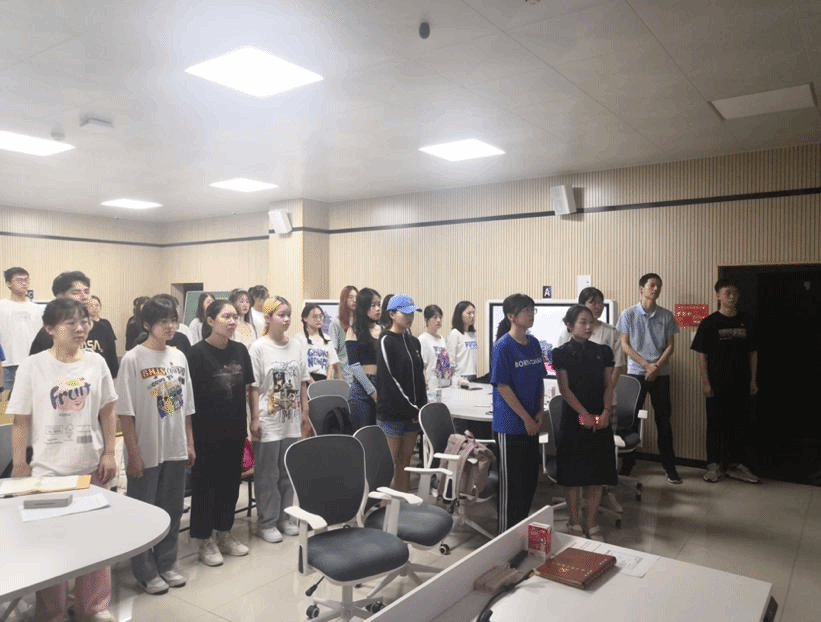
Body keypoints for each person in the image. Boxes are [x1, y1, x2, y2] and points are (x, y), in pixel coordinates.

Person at [8, 298, 118, 622]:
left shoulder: (96, 363)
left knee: (95, 543)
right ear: (50, 329)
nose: (80, 328)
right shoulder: (33, 366)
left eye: (84, 321)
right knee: (52, 547)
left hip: (90, 467)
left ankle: (93, 606)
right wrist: (19, 464)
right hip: (48, 472)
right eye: (71, 322)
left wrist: (109, 451)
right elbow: (20, 420)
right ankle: (52, 611)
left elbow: (108, 410)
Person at [116, 295, 196, 595]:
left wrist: (189, 442)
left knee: (172, 509)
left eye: (173, 320)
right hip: (146, 449)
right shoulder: (133, 359)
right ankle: (145, 570)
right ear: (147, 324)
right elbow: (125, 412)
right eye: (163, 321)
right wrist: (133, 453)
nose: (170, 326)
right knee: (144, 512)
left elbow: (184, 406)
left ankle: (167, 563)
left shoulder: (178, 356)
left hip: (175, 447)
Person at [187, 299, 255, 566]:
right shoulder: (196, 354)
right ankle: (204, 540)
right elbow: (188, 400)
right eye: (226, 316)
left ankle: (224, 533)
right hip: (205, 433)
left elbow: (248, 388)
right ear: (210, 320)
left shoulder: (240, 350)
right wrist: (189, 438)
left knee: (229, 485)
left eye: (235, 317)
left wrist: (253, 421)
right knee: (205, 486)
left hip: (234, 430)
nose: (232, 321)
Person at [556, 287, 626, 512]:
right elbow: (565, 384)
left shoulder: (607, 339)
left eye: (600, 303)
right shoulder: (564, 344)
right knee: (576, 460)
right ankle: (575, 516)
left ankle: (597, 508)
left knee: (599, 460)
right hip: (577, 412)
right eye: (592, 302)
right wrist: (584, 413)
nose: (597, 307)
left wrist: (605, 408)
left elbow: (613, 374)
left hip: (602, 407)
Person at [553, 304, 617, 541]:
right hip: (574, 418)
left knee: (597, 473)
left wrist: (606, 411)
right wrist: (585, 415)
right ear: (570, 326)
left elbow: (608, 385)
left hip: (600, 417)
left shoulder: (603, 351)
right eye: (583, 322)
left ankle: (591, 523)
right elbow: (565, 389)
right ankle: (573, 521)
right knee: (574, 474)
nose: (589, 326)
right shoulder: (561, 353)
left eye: (591, 322)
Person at [248, 296, 309, 543]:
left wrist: (305, 414)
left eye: (288, 315)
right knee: (267, 474)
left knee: (287, 473)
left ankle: (286, 517)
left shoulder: (296, 346)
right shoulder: (258, 348)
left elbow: (303, 382)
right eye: (281, 315)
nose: (286, 319)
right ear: (268, 317)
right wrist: (254, 418)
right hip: (268, 420)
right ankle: (267, 521)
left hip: (291, 419)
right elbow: (253, 387)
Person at [691, 279, 760, 484]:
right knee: (715, 424)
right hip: (716, 384)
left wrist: (753, 380)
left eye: (735, 293)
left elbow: (753, 353)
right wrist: (706, 383)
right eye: (727, 293)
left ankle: (736, 465)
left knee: (739, 424)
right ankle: (713, 465)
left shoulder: (747, 321)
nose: (732, 297)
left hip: (741, 383)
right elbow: (702, 355)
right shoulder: (709, 323)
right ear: (718, 296)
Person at [617, 273, 681, 485]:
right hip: (636, 373)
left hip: (660, 373)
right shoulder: (628, 314)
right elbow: (625, 345)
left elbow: (670, 346)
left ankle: (669, 467)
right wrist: (646, 365)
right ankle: (628, 464)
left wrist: (656, 366)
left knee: (664, 420)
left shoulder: (666, 315)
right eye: (652, 285)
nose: (656, 289)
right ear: (641, 288)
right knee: (630, 419)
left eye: (658, 286)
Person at [491, 294, 546, 534]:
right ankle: (505, 538)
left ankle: (521, 532)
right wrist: (525, 418)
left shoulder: (533, 343)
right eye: (526, 310)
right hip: (511, 426)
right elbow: (503, 386)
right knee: (511, 486)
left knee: (529, 480)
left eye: (533, 310)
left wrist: (540, 412)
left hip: (532, 422)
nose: (531, 314)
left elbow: (539, 379)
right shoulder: (503, 346)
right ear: (511, 316)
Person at [376, 294, 427, 492]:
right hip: (392, 414)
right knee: (388, 464)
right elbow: (390, 380)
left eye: (412, 313)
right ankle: (383, 504)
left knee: (405, 463)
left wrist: (422, 408)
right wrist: (413, 407)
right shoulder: (386, 340)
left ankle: (402, 503)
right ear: (391, 314)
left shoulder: (414, 342)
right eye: (405, 313)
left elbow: (419, 377)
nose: (410, 317)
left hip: (412, 416)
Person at [0, 267, 43, 396]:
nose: (24, 283)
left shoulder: (37, 309)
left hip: (33, 364)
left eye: (26, 280)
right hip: (7, 365)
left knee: (33, 402)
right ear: (8, 283)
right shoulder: (1, 306)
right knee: (7, 404)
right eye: (19, 280)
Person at [29, 271, 92, 354]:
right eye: (75, 293)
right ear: (60, 297)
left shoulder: (100, 327)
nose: (84, 297)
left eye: (86, 292)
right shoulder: (50, 333)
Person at [345, 287, 382, 429]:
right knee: (364, 434)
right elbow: (354, 366)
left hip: (381, 383)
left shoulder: (383, 330)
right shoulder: (354, 330)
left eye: (379, 305)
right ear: (363, 307)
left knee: (381, 434)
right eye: (373, 305)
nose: (377, 309)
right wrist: (372, 392)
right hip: (362, 389)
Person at [294, 303, 340, 382]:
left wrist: (328, 382)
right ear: (305, 318)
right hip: (305, 380)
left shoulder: (327, 339)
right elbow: (299, 365)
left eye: (321, 316)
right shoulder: (298, 338)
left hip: (323, 380)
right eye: (315, 317)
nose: (319, 319)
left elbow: (332, 364)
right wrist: (312, 383)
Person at [418, 304, 453, 399]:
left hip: (445, 384)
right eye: (435, 317)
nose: (438, 320)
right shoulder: (422, 339)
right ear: (427, 320)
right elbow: (421, 365)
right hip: (431, 387)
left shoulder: (441, 339)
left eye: (440, 317)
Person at [328, 285, 357, 386]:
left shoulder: (361, 323)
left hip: (359, 374)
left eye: (356, 297)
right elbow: (333, 353)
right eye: (350, 297)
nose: (354, 300)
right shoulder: (336, 323)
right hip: (343, 375)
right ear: (344, 299)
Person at [84, 295, 119, 378]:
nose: (94, 308)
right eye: (91, 306)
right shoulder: (82, 325)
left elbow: (111, 347)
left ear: (100, 307)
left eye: (97, 305)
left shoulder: (105, 324)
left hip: (102, 365)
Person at [447, 300, 478, 382]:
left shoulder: (473, 335)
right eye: (469, 313)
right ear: (460, 315)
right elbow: (451, 360)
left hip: (473, 375)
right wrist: (454, 379)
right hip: (460, 377)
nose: (472, 316)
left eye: (473, 313)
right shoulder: (455, 334)